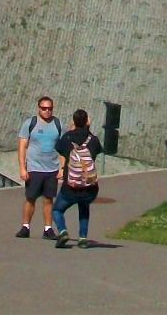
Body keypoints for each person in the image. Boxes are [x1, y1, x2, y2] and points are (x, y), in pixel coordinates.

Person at [52, 108, 104, 249]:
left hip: (71, 187)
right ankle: (83, 238)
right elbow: (97, 151)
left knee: (57, 210)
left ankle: (63, 232)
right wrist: (87, 129)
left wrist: (71, 130)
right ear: (87, 121)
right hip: (89, 187)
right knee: (84, 208)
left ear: (73, 121)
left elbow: (60, 149)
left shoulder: (67, 138)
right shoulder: (93, 140)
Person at [16, 96, 62, 240]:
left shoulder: (58, 124)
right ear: (38, 108)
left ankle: (48, 229)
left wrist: (62, 168)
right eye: (44, 108)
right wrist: (23, 168)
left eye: (49, 108)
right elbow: (22, 147)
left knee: (48, 199)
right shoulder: (30, 123)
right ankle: (25, 227)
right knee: (31, 198)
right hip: (34, 168)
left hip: (51, 169)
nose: (47, 111)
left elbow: (63, 148)